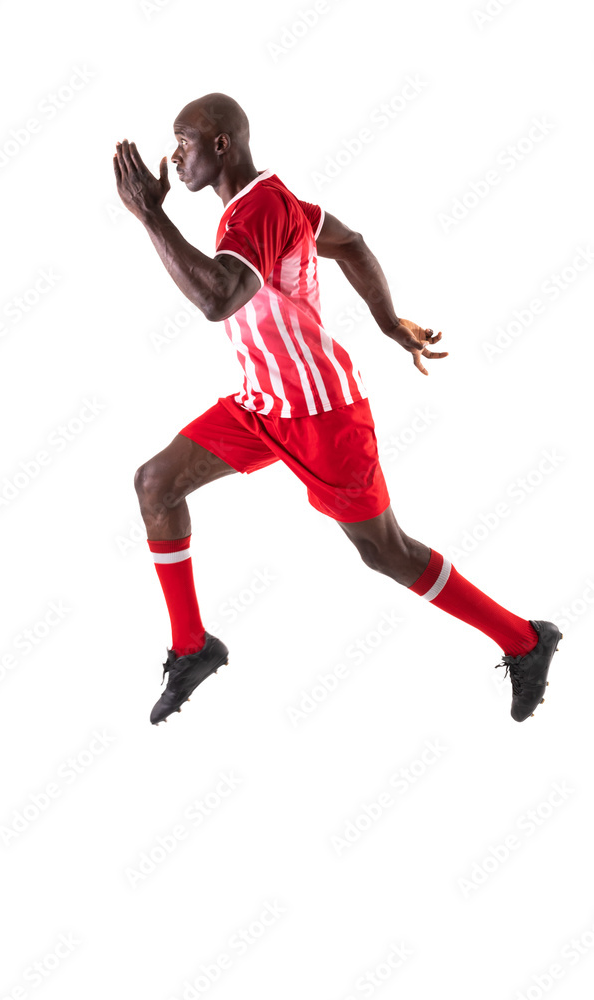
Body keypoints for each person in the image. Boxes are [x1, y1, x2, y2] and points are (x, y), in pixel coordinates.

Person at [113, 92, 561, 727]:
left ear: (222, 146)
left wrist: (151, 218)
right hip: (262, 404)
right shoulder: (276, 203)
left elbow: (219, 298)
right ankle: (193, 648)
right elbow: (348, 241)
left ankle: (526, 640)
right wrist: (389, 324)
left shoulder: (259, 210)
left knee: (386, 552)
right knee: (155, 483)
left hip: (322, 414)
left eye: (185, 142)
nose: (175, 155)